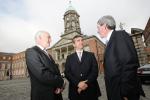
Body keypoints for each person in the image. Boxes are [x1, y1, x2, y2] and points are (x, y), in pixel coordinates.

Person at [97, 15, 145, 100]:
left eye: (98, 27)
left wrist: (126, 93)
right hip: (116, 92)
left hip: (123, 94)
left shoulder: (120, 36)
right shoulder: (110, 41)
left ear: (104, 26)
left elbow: (129, 65)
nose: (97, 31)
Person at [25, 31, 64, 100]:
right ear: (40, 38)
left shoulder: (48, 54)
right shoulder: (31, 51)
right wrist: (61, 82)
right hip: (43, 96)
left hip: (56, 94)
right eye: (48, 37)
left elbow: (56, 71)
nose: (51, 40)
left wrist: (59, 86)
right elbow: (42, 74)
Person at [64, 35, 101, 100]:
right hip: (75, 92)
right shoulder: (69, 58)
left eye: (82, 40)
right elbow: (67, 73)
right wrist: (78, 83)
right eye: (78, 41)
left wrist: (85, 84)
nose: (81, 42)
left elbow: (95, 72)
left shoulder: (91, 55)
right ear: (73, 45)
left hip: (91, 90)